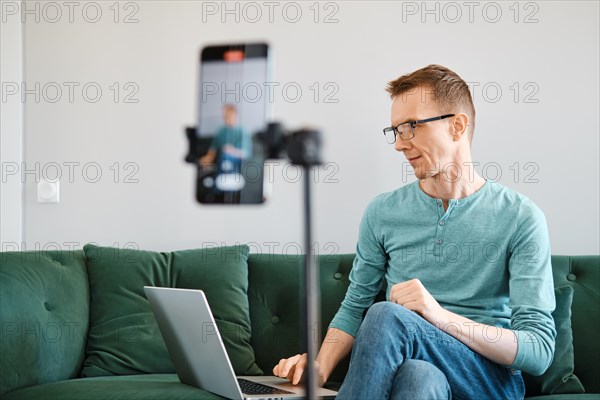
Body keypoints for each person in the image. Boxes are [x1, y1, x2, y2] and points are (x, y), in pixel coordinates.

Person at [272, 64, 556, 399]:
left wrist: (436, 315)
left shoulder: (521, 216)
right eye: (395, 130)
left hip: (488, 380)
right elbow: (354, 305)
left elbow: (538, 350)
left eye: (411, 127)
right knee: (416, 377)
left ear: (457, 126)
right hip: (415, 367)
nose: (399, 144)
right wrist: (319, 367)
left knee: (386, 315)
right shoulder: (383, 212)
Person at [199, 104, 252, 173]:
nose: (226, 119)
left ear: (235, 115)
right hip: (221, 160)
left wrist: (231, 150)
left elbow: (246, 154)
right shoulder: (221, 131)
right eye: (225, 117)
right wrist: (209, 157)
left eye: (228, 116)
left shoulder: (242, 131)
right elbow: (214, 147)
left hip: (235, 162)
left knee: (225, 157)